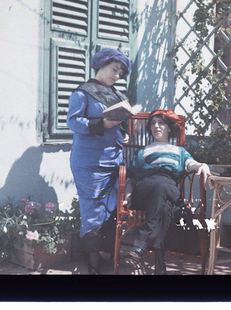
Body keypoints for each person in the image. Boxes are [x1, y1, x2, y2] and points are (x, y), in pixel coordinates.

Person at [67, 48, 131, 274]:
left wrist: (124, 133)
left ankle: (98, 253)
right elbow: (73, 122)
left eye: (121, 73)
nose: (116, 76)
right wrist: (101, 124)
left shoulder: (118, 95)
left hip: (115, 160)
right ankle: (92, 263)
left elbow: (120, 123)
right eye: (114, 69)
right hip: (89, 162)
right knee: (92, 208)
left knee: (110, 206)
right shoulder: (82, 92)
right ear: (101, 65)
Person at [123, 109, 210, 275]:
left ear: (169, 128)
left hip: (168, 187)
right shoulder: (143, 151)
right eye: (153, 123)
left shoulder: (179, 152)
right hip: (146, 190)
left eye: (161, 122)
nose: (156, 126)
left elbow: (191, 164)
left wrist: (202, 166)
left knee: (163, 195)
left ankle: (143, 244)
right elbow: (131, 179)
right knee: (164, 202)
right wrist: (127, 199)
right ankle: (157, 263)